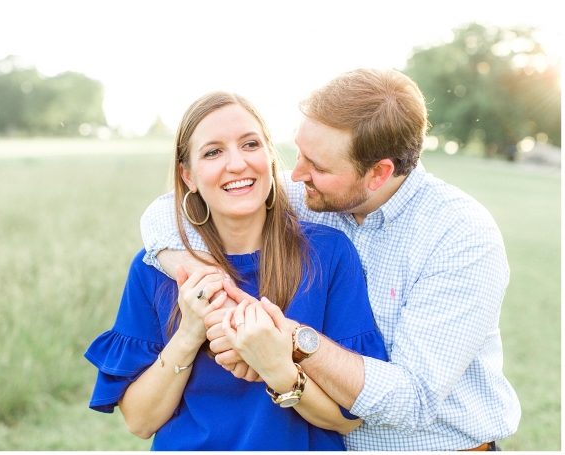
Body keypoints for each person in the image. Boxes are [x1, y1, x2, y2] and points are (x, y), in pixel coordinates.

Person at [139, 69, 521, 451]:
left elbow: (414, 400)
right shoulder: (307, 191)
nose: (296, 172)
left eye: (318, 166)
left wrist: (286, 339)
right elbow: (166, 211)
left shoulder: (460, 237)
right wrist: (211, 285)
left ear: (378, 174)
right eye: (299, 153)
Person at [84, 91, 388, 450]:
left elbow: (347, 418)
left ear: (269, 156)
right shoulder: (154, 269)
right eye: (213, 152)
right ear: (189, 175)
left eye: (250, 144)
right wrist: (190, 332)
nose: (238, 164)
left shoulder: (328, 253)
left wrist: (277, 369)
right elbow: (139, 421)